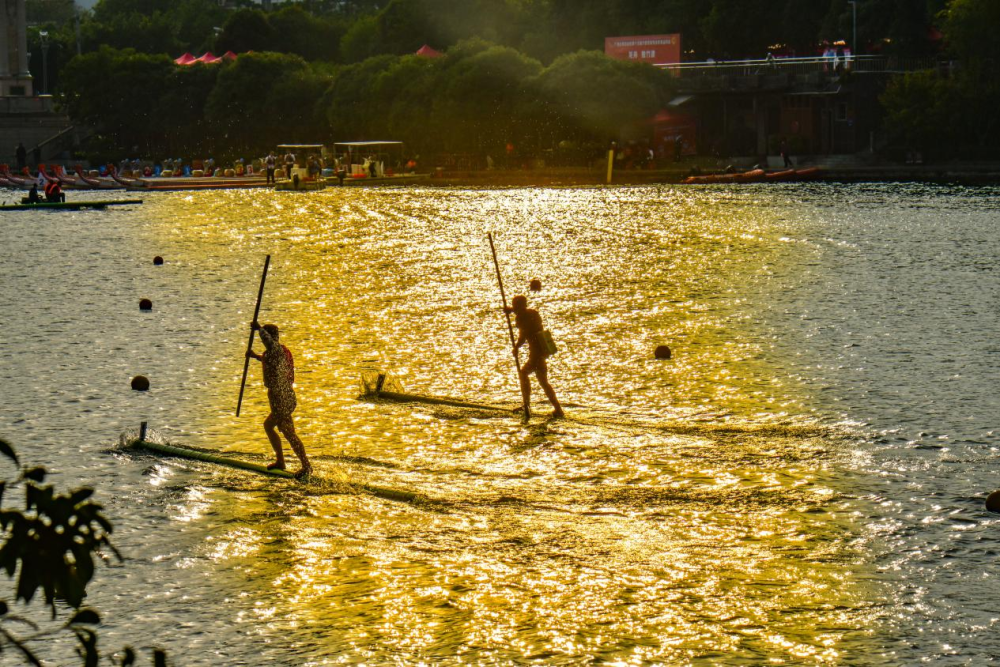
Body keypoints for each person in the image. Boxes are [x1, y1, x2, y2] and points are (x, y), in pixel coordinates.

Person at [246, 321, 312, 478]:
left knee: (284, 431)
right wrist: (255, 356)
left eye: (267, 337)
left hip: (282, 397)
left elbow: (270, 345)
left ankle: (305, 465)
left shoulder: (276, 349)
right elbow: (269, 359)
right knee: (278, 428)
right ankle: (283, 461)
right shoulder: (276, 353)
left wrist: (259, 329)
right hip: (281, 397)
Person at [505, 294, 564, 419]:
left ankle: (527, 405)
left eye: (516, 306)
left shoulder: (523, 318)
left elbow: (523, 336)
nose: (515, 308)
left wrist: (516, 347)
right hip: (541, 352)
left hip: (536, 354)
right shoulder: (532, 313)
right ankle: (557, 408)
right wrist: (511, 310)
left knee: (524, 374)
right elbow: (521, 314)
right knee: (543, 381)